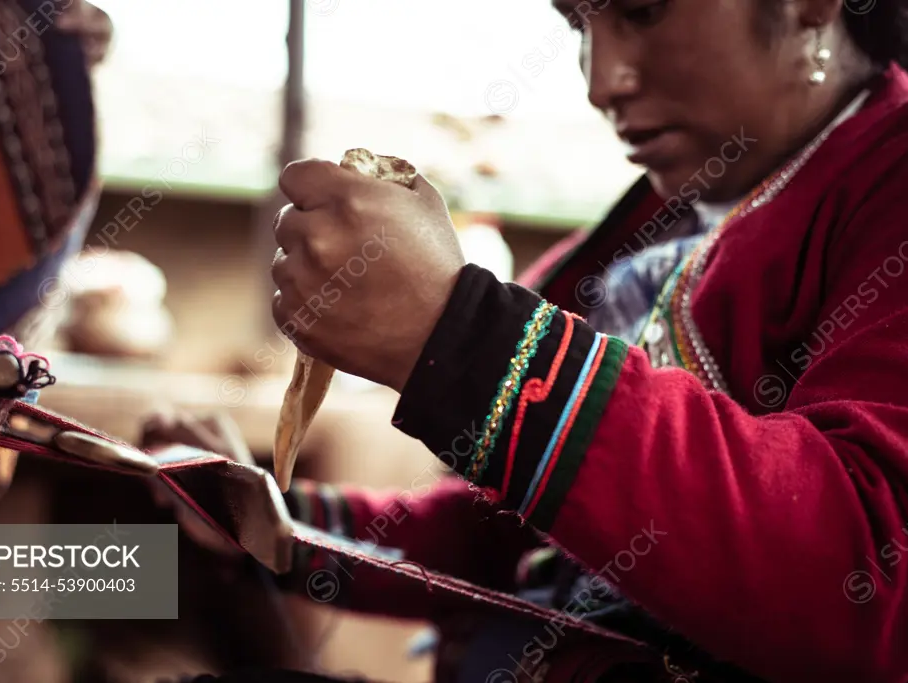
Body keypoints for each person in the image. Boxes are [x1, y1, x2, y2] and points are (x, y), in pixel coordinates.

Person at [238, 0, 908, 682]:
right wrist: (265, 519)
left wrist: (464, 335)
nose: (599, 81)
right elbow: (514, 541)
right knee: (140, 578)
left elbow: (870, 570)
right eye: (576, 25)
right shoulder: (653, 227)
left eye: (641, 13)